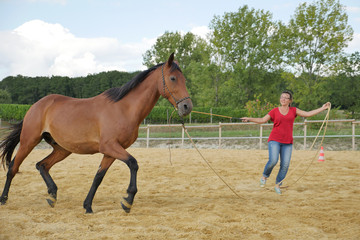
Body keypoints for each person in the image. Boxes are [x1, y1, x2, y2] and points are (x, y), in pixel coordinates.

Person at [241, 90, 331, 195]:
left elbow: (307, 114)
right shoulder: (274, 111)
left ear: (290, 100)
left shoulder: (294, 110)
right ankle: (265, 176)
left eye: (286, 97)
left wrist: (323, 108)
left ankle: (278, 185)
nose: (283, 99)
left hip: (287, 142)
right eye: (282, 97)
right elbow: (262, 120)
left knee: (285, 165)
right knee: (273, 160)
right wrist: (249, 119)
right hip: (274, 140)